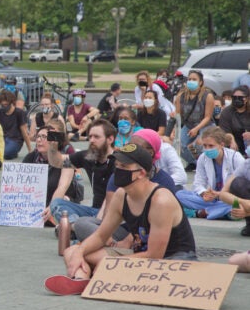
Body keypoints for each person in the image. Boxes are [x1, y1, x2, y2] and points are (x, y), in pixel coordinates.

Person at [45, 144, 197, 296]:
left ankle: (98, 278)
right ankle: (81, 280)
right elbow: (100, 235)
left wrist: (111, 263)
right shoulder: (121, 195)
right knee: (72, 251)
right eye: (116, 165)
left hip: (174, 260)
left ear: (141, 173)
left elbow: (155, 255)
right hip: (141, 253)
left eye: (123, 166)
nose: (117, 170)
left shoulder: (161, 201)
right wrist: (80, 251)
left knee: (103, 264)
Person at [73, 128, 177, 245]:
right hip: (121, 228)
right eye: (129, 145)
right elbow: (109, 214)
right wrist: (105, 234)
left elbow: (155, 225)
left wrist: (126, 242)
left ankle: (101, 245)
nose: (129, 150)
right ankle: (104, 244)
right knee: (82, 223)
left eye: (135, 147)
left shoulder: (164, 183)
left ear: (150, 152)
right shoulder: (120, 175)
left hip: (151, 234)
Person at [48, 119, 117, 224]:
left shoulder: (119, 162)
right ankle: (75, 226)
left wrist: (98, 221)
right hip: (92, 211)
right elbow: (57, 162)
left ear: (110, 139)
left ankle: (76, 228)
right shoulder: (87, 156)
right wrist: (53, 147)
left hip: (113, 213)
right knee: (56, 203)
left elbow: (110, 200)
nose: (92, 140)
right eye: (90, 137)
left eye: (96, 137)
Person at [176, 127, 244, 220]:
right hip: (210, 200)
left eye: (211, 146)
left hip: (229, 198)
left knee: (236, 204)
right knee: (180, 195)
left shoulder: (235, 157)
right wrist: (204, 193)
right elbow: (198, 183)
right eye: (205, 146)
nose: (207, 149)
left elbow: (244, 184)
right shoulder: (203, 158)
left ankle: (202, 212)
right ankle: (217, 212)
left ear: (221, 144)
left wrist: (220, 194)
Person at [23, 123, 81, 216]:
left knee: (62, 209)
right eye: (37, 136)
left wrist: (51, 207)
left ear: (53, 140)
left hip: (63, 199)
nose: (38, 140)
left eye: (44, 137)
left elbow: (62, 187)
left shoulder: (66, 160)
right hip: (37, 202)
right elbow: (19, 185)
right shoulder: (30, 158)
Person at [175, 69, 215, 171]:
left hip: (205, 125)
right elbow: (177, 115)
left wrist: (197, 129)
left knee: (200, 143)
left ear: (200, 82)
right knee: (180, 145)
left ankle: (207, 163)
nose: (191, 81)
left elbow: (208, 117)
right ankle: (194, 163)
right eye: (189, 79)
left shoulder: (208, 96)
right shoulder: (181, 96)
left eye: (194, 79)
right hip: (189, 125)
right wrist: (173, 131)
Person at [0, 90, 31, 159]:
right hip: (3, 139)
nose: (4, 107)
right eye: (2, 105)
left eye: (6, 105)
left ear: (12, 102)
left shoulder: (19, 113)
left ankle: (12, 153)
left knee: (5, 153)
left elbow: (24, 132)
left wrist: (30, 150)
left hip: (16, 140)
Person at [219, 157, 250, 237]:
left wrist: (247, 213)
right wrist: (243, 202)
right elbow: (223, 194)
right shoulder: (246, 164)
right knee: (238, 183)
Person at [218, 86, 250, 154]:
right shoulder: (226, 112)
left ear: (247, 99)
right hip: (234, 145)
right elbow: (225, 131)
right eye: (234, 97)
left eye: (240, 98)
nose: (237, 100)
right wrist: (231, 140)